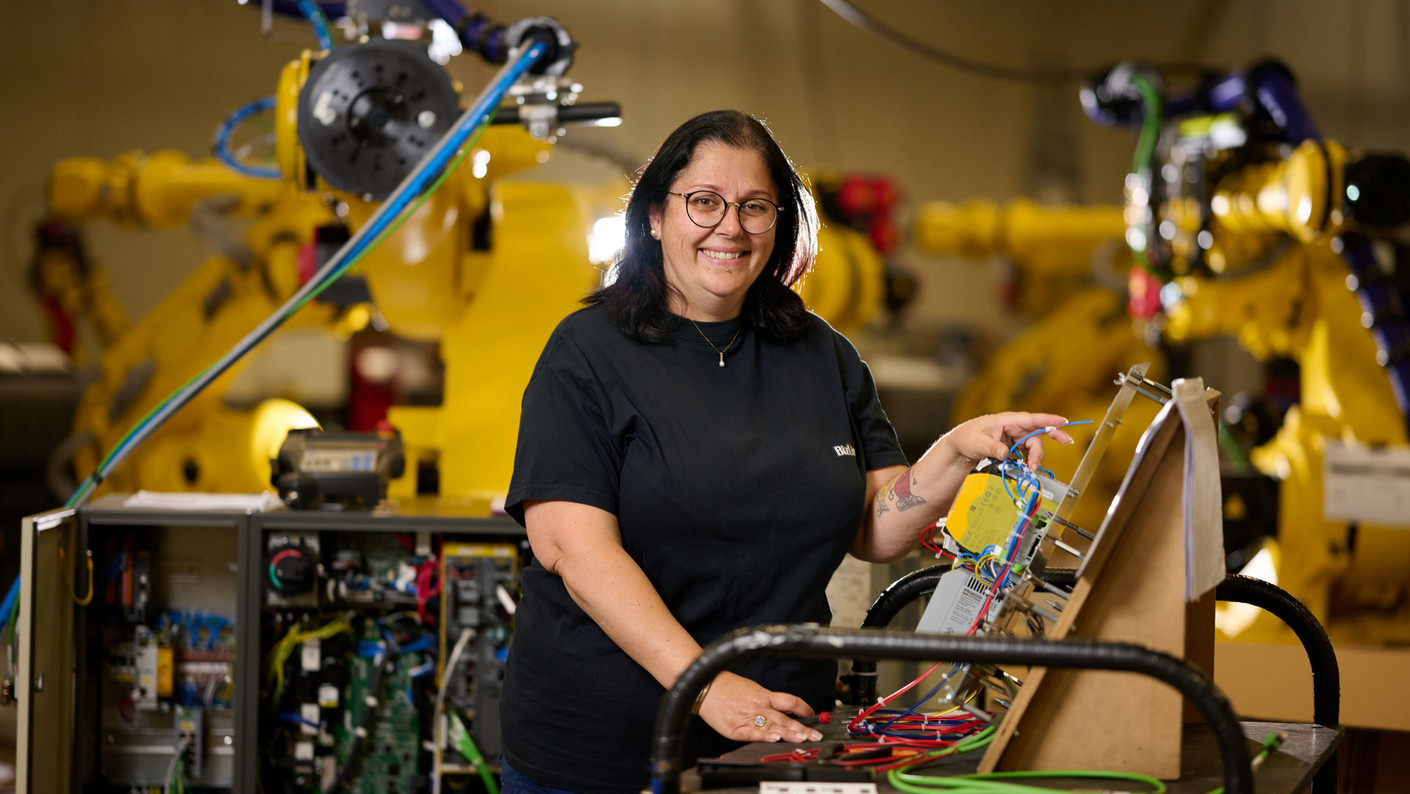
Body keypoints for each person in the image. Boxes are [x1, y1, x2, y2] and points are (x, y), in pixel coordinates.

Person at [499, 109, 1072, 794]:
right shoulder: (587, 352)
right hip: (605, 748)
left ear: (781, 223)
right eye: (704, 202)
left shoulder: (820, 353)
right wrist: (704, 684)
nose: (730, 227)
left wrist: (956, 449)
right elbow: (575, 549)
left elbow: (877, 527)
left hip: (781, 736)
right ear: (654, 216)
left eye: (755, 206)